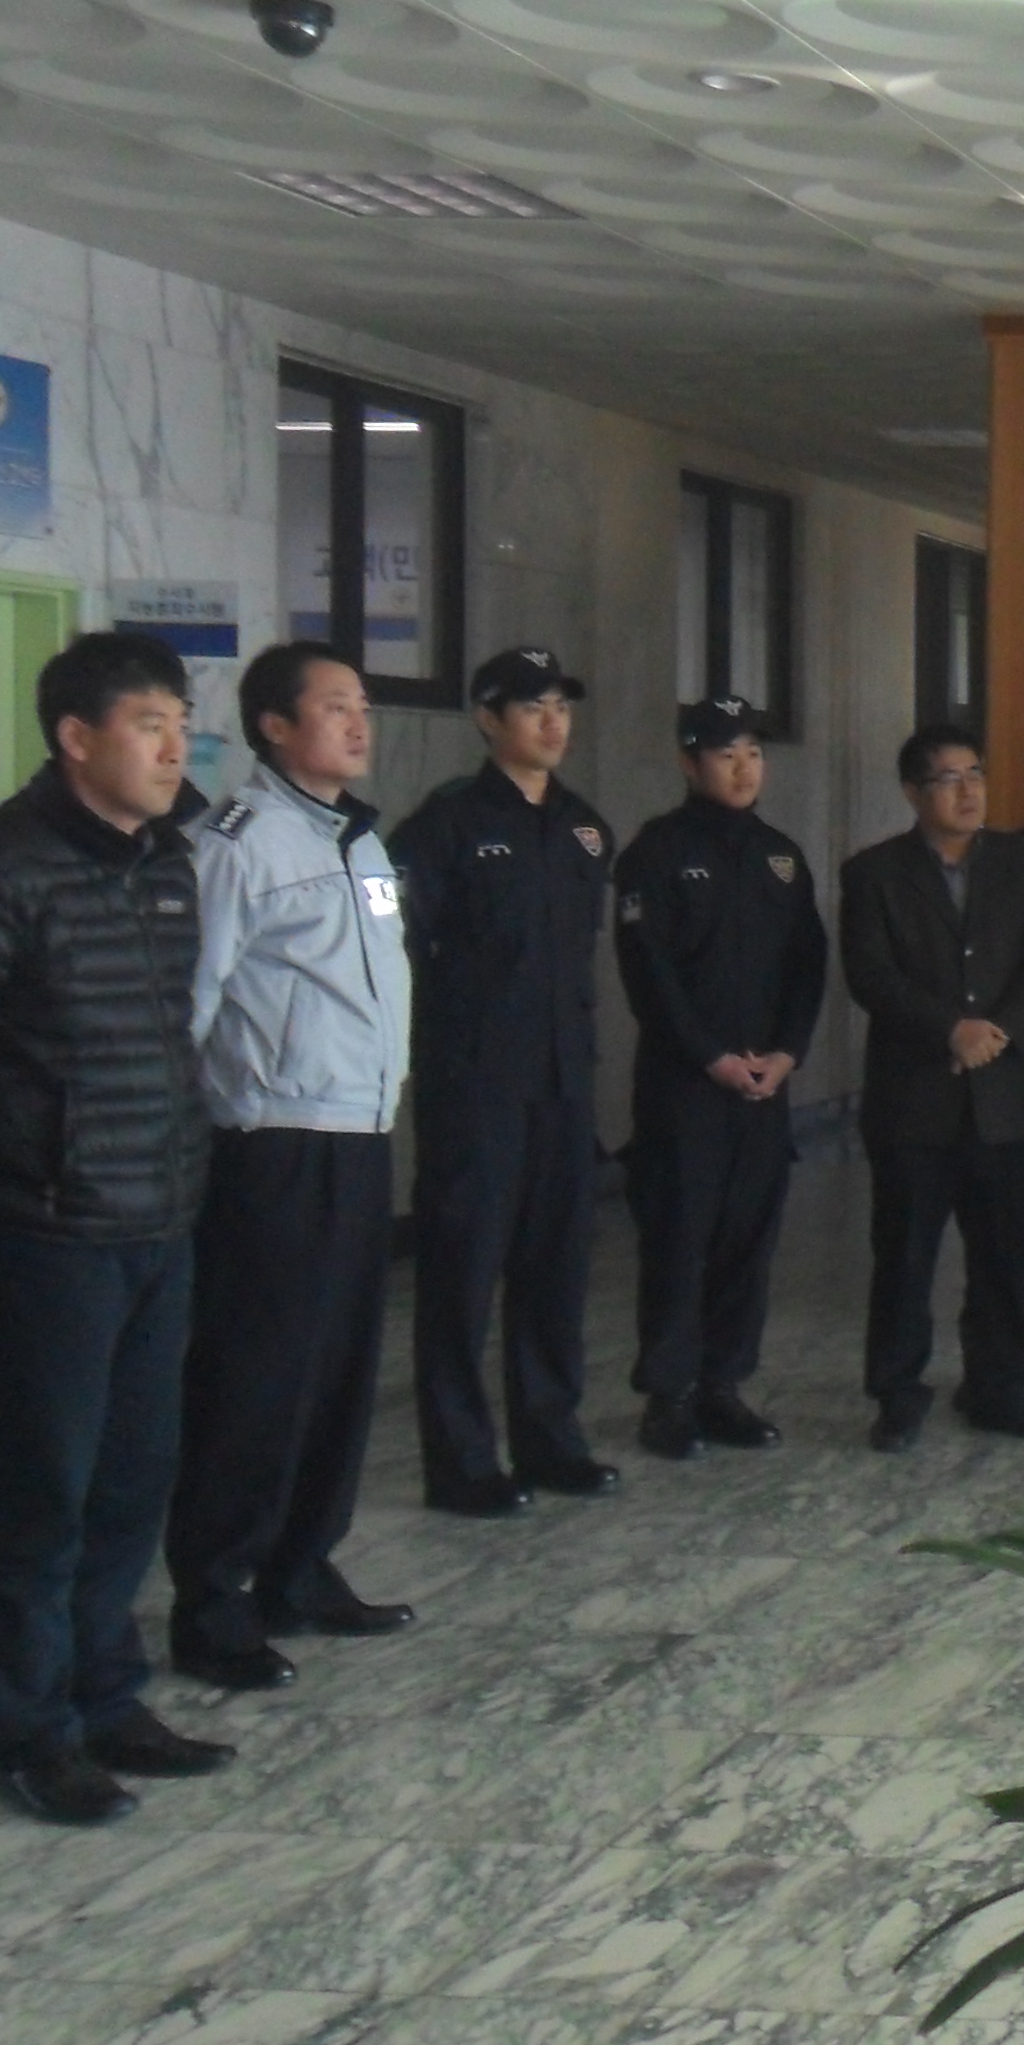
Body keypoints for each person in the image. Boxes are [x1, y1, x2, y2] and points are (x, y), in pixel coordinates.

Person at [0, 631, 235, 1827]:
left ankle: (106, 1696)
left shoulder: (167, 865)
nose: (174, 750)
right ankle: (32, 1731)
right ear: (76, 738)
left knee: (130, 1483)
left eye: (182, 726)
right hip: (36, 1233)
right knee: (41, 1493)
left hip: (154, 1219)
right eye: (148, 726)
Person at [167, 642, 416, 1694]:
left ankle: (301, 1566)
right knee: (257, 1378)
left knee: (340, 1373)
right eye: (335, 707)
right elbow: (188, 1000)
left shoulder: (361, 839)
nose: (359, 725)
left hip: (359, 1135)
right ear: (274, 727)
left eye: (364, 707)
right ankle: (213, 1598)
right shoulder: (236, 842)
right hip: (274, 1141)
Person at [391, 646, 621, 1517]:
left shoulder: (585, 827)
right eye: (532, 708)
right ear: (488, 720)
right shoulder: (445, 825)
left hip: (563, 1082)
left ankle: (550, 1439)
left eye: (561, 705)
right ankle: (460, 1461)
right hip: (477, 1085)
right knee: (462, 1274)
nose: (553, 723)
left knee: (556, 1269)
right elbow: (403, 950)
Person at [842, 724, 1024, 1451]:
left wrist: (1000, 1030)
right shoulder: (874, 873)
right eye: (949, 779)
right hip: (915, 1100)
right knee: (905, 1256)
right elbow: (870, 975)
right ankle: (897, 1395)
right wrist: (950, 1029)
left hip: (1010, 1098)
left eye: (976, 774)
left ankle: (998, 1388)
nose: (969, 791)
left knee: (1005, 1257)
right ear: (913, 792)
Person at [616, 694, 828, 1461]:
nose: (744, 768)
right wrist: (711, 1056)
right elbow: (650, 973)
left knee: (748, 1240)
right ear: (689, 761)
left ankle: (723, 1385)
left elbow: (808, 963)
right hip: (687, 1086)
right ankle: (669, 1395)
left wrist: (789, 1053)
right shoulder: (657, 851)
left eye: (754, 754)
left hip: (765, 1085)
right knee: (680, 1240)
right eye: (726, 753)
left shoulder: (781, 856)